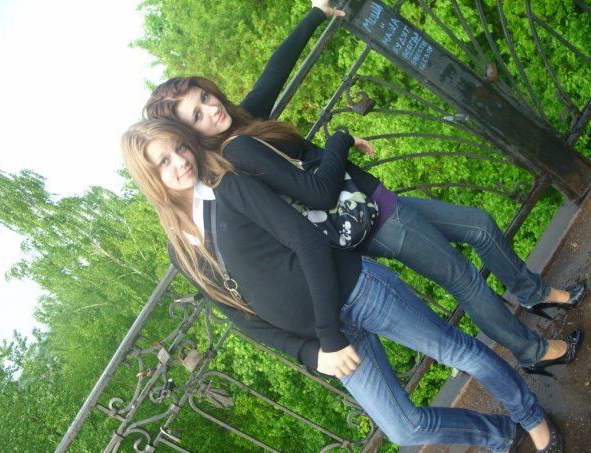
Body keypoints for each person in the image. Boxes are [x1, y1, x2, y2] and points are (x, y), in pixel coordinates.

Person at [142, 0, 586, 376]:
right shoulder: (237, 149)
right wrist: (340, 139)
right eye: (197, 115)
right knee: (461, 277)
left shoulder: (239, 126)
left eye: (205, 96)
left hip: (372, 205)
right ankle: (531, 351)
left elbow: (273, 74)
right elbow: (317, 193)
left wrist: (315, 13)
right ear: (191, 136)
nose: (211, 108)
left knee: (480, 226)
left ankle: (534, 294)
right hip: (373, 219)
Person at [120, 117, 565, 452]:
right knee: (403, 428)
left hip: (358, 293)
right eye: (164, 160)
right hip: (328, 345)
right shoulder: (181, 251)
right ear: (148, 177)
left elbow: (307, 241)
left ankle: (530, 417)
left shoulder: (228, 188)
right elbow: (241, 318)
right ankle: (500, 436)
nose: (181, 161)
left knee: (457, 351)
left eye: (180, 147)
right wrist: (312, 352)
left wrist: (329, 333)